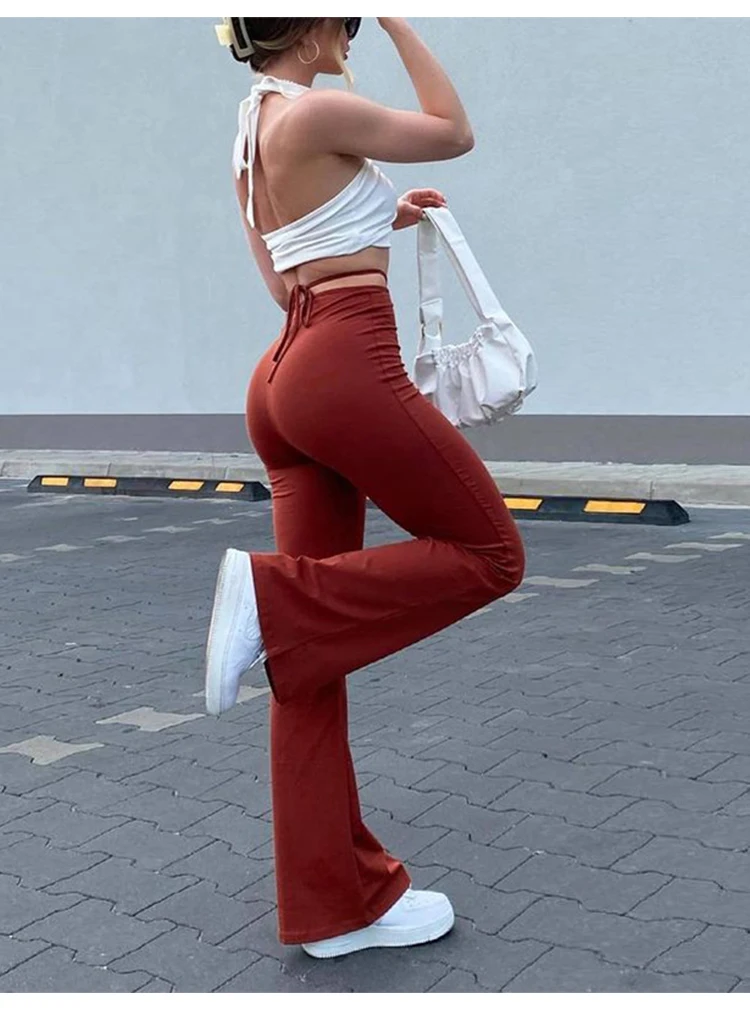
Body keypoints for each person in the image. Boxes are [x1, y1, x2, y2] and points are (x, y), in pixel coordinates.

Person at [206, 17, 526, 960]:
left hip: (284, 371)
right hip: (346, 360)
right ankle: (269, 597)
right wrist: (398, 16)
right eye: (344, 22)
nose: (350, 34)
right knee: (491, 554)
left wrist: (380, 218)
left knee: (309, 663)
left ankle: (334, 911)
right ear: (311, 29)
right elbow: (454, 130)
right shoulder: (317, 112)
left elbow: (284, 280)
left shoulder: (251, 130)